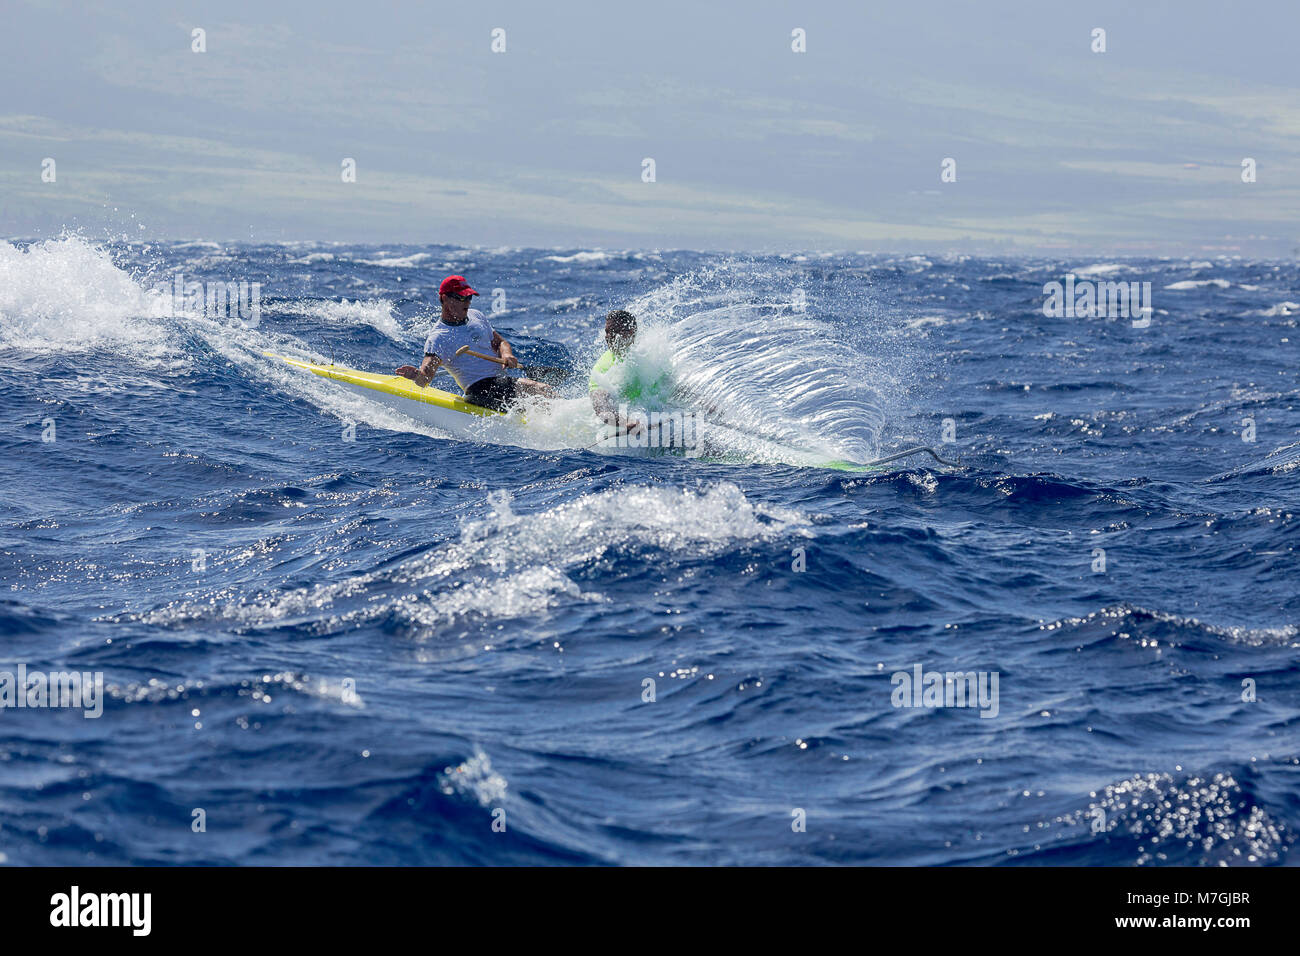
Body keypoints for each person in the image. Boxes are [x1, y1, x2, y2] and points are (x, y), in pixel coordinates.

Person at [395, 275, 553, 411]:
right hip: (479, 389)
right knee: (542, 390)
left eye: (469, 297)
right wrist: (416, 375)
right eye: (461, 298)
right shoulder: (439, 338)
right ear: (444, 299)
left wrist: (507, 354)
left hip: (501, 382)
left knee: (545, 397)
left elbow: (500, 342)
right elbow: (425, 379)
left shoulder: (476, 315)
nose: (467, 302)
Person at [588, 310, 673, 435]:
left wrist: (702, 402)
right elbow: (600, 405)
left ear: (630, 333)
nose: (608, 336)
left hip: (661, 416)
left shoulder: (649, 356)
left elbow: (671, 387)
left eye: (614, 331)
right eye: (606, 332)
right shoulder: (603, 367)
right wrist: (625, 422)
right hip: (629, 425)